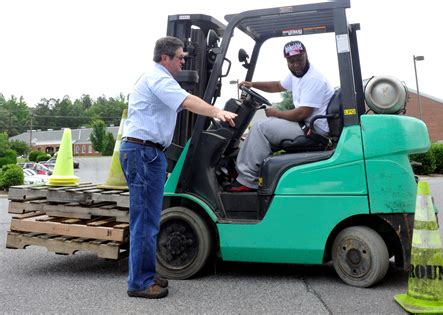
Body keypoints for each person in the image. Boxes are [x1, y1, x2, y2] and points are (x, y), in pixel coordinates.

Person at [120, 36, 236, 299]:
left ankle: (145, 273)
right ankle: (139, 282)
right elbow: (186, 101)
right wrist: (216, 112)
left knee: (148, 219)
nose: (184, 61)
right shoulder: (158, 78)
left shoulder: (157, 77)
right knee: (146, 221)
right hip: (144, 153)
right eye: (180, 57)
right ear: (165, 58)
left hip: (147, 152)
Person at [226, 40, 334, 192]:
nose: (296, 64)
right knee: (267, 123)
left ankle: (247, 180)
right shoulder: (297, 74)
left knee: (260, 127)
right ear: (286, 60)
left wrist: (277, 113)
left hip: (313, 130)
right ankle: (245, 170)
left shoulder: (313, 78)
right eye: (291, 61)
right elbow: (277, 86)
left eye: (299, 60)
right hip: (306, 125)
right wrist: (253, 84)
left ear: (306, 55)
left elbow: (302, 113)